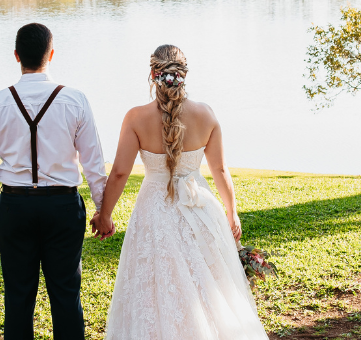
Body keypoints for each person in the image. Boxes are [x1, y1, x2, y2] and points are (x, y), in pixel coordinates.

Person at [91, 44, 269, 339]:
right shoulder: (206, 114)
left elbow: (120, 172)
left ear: (152, 74)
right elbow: (220, 170)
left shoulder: (135, 118)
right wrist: (231, 211)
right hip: (200, 209)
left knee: (157, 288)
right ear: (183, 75)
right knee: (209, 287)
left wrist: (105, 214)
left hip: (153, 211)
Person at [0, 23, 109, 340]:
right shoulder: (75, 100)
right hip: (62, 206)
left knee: (18, 297)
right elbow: (93, 163)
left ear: (16, 56)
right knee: (66, 293)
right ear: (52, 54)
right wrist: (102, 210)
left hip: (15, 207)